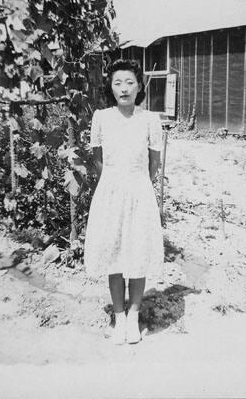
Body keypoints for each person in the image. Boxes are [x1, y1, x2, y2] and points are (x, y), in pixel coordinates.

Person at [84, 59, 164, 345]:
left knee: (138, 253)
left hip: (139, 191)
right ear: (111, 87)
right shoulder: (101, 117)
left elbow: (154, 163)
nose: (124, 88)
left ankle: (133, 317)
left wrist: (137, 185)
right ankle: (118, 317)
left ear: (139, 86)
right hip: (110, 193)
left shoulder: (149, 119)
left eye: (130, 82)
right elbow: (98, 160)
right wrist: (114, 185)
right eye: (117, 82)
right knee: (114, 253)